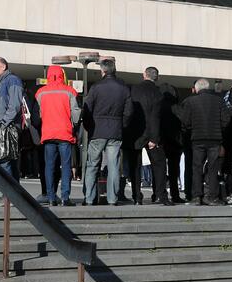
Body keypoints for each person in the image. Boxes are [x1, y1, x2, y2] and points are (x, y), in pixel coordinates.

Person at [81, 59, 131, 207]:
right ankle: (112, 199)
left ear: (103, 71)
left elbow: (87, 110)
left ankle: (89, 198)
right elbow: (129, 112)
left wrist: (89, 128)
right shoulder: (124, 88)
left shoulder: (96, 87)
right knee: (114, 165)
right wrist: (121, 125)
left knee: (92, 165)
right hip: (115, 130)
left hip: (97, 130)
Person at [176, 78, 229, 206]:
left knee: (197, 168)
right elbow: (226, 120)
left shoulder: (190, 101)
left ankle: (196, 197)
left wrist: (191, 129)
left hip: (197, 139)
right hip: (215, 138)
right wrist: (219, 129)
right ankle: (212, 197)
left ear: (197, 88)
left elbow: (186, 122)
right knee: (213, 168)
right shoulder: (219, 101)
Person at [36, 65, 80, 206]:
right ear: (62, 75)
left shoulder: (40, 93)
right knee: (65, 165)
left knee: (49, 166)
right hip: (64, 133)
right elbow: (76, 113)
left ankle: (51, 197)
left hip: (48, 133)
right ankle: (65, 197)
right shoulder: (70, 91)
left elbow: (40, 114)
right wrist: (73, 125)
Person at [0, 57, 25, 202]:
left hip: (7, 126)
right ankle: (15, 195)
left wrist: (4, 123)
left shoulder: (12, 80)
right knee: (8, 161)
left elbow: (14, 105)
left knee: (5, 160)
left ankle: (8, 196)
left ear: (3, 67)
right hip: (3, 125)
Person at [128, 66, 170, 206]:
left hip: (136, 133)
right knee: (159, 165)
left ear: (144, 75)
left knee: (136, 166)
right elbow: (156, 117)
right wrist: (154, 138)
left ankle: (136, 196)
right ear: (156, 77)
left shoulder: (134, 90)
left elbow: (130, 111)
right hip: (153, 133)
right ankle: (160, 195)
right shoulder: (158, 93)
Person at [158, 82, 185, 203]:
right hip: (176, 142)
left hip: (161, 141)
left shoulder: (159, 107)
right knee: (174, 170)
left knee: (159, 169)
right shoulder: (177, 108)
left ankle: (158, 193)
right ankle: (175, 194)